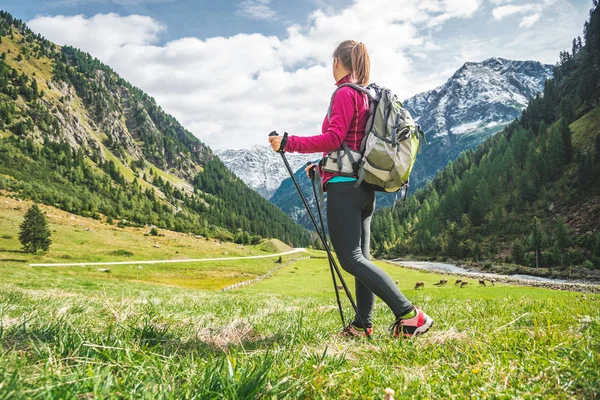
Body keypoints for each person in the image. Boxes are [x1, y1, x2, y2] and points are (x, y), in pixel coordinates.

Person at [268, 40, 433, 338]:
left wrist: (289, 143)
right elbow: (353, 144)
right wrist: (321, 167)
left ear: (337, 62)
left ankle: (410, 314)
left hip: (345, 189)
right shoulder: (367, 95)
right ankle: (361, 325)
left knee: (350, 259)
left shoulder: (345, 93)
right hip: (363, 187)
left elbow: (333, 138)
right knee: (361, 259)